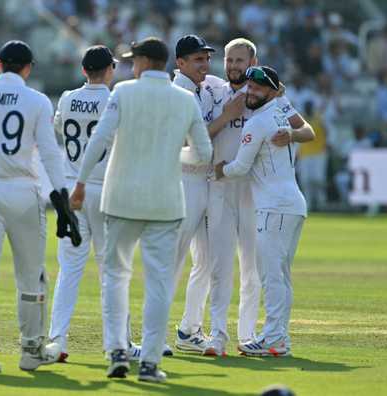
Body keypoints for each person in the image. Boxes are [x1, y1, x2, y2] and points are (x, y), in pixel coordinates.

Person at [70, 37, 212, 382]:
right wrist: (172, 157)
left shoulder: (123, 93)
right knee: (159, 282)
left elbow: (99, 140)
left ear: (145, 62)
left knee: (116, 277)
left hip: (121, 198)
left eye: (134, 60)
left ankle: (117, 350)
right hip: (165, 200)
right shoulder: (184, 99)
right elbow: (203, 154)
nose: (131, 66)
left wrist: (81, 181)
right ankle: (149, 362)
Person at [0, 40, 76, 373]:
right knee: (31, 275)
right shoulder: (36, 100)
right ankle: (31, 350)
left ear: (0, 64)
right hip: (22, 191)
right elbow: (50, 154)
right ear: (27, 67)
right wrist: (61, 198)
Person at [48, 45, 150, 362]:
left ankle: (57, 340)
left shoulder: (66, 98)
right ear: (109, 70)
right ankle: (117, 343)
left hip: (72, 190)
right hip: (105, 191)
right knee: (113, 272)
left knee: (69, 270)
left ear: (83, 71)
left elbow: (58, 129)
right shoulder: (115, 99)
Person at [215, 66, 307, 357]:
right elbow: (304, 129)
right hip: (290, 205)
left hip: (275, 207)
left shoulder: (257, 123)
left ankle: (274, 339)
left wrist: (219, 171)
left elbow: (240, 168)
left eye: (259, 87)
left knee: (271, 276)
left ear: (272, 91)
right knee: (280, 275)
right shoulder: (280, 110)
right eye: (250, 86)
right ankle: (279, 337)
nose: (252, 91)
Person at [171, 34, 245, 353]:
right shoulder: (177, 93)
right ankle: (153, 332)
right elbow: (189, 142)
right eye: (198, 59)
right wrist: (226, 118)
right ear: (180, 63)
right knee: (172, 260)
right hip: (183, 181)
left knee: (206, 261)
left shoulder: (206, 85)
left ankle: (188, 330)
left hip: (205, 183)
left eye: (207, 58)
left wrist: (275, 90)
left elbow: (243, 79)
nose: (205, 64)